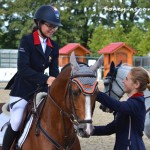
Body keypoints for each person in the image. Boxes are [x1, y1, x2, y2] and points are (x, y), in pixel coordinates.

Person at [2, 5, 62, 150]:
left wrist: (54, 83)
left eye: (55, 27)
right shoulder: (27, 41)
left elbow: (54, 71)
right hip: (22, 89)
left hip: (40, 90)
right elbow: (23, 69)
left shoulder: (54, 46)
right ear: (39, 23)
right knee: (16, 121)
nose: (53, 29)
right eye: (50, 25)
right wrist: (45, 79)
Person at [92, 67, 150, 150]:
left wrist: (96, 93)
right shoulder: (129, 105)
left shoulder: (137, 103)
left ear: (136, 84)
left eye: (126, 79)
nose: (123, 81)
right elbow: (109, 129)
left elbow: (118, 106)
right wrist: (90, 130)